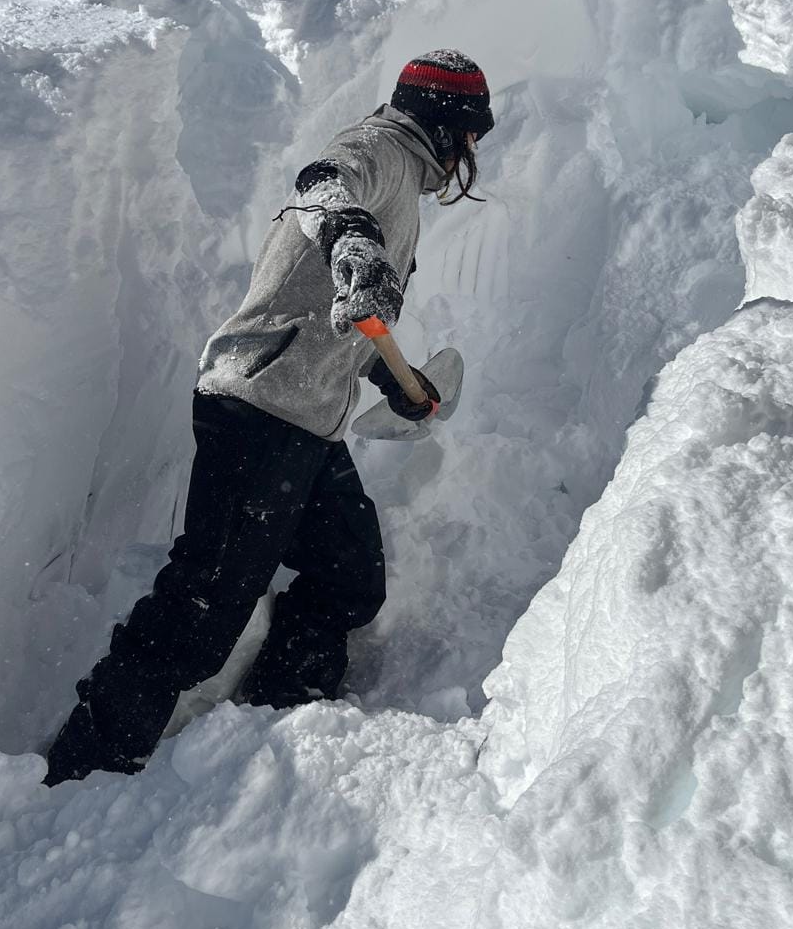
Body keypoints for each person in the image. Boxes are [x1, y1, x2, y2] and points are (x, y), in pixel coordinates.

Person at [44, 50, 493, 785]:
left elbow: (341, 311)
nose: (471, 151)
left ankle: (284, 707)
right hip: (259, 407)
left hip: (308, 420)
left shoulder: (404, 184)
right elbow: (323, 183)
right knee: (203, 606)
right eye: (471, 133)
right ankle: (85, 762)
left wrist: (395, 380)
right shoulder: (378, 149)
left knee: (349, 577)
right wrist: (350, 233)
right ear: (447, 124)